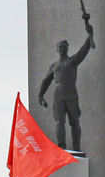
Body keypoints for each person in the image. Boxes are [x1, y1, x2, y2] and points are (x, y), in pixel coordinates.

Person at [37, 11, 95, 151]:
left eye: (64, 47)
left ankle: (76, 148)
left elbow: (84, 49)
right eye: (60, 47)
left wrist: (90, 32)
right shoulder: (54, 66)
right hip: (58, 95)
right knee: (59, 122)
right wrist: (40, 96)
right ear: (57, 49)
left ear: (67, 48)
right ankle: (61, 147)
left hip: (72, 94)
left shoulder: (73, 61)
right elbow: (46, 81)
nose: (62, 49)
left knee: (75, 122)